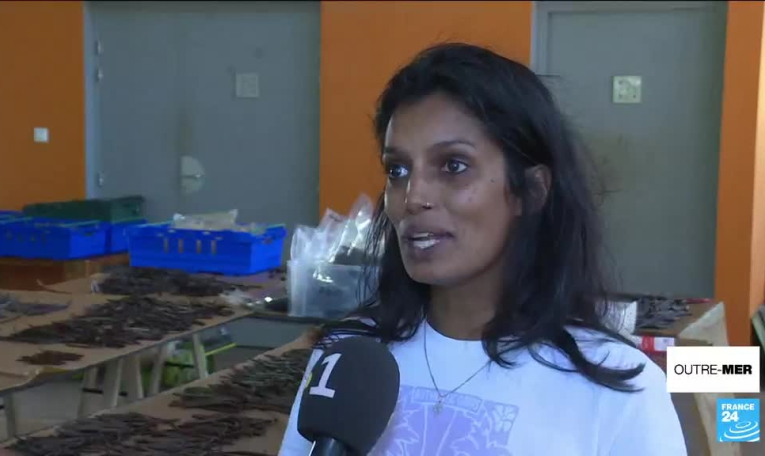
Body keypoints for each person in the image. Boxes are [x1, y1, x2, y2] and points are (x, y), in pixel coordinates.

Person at [279, 42, 687, 455]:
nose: (413, 197)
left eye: (453, 165)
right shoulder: (346, 362)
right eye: (397, 170)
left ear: (531, 190)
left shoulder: (618, 389)